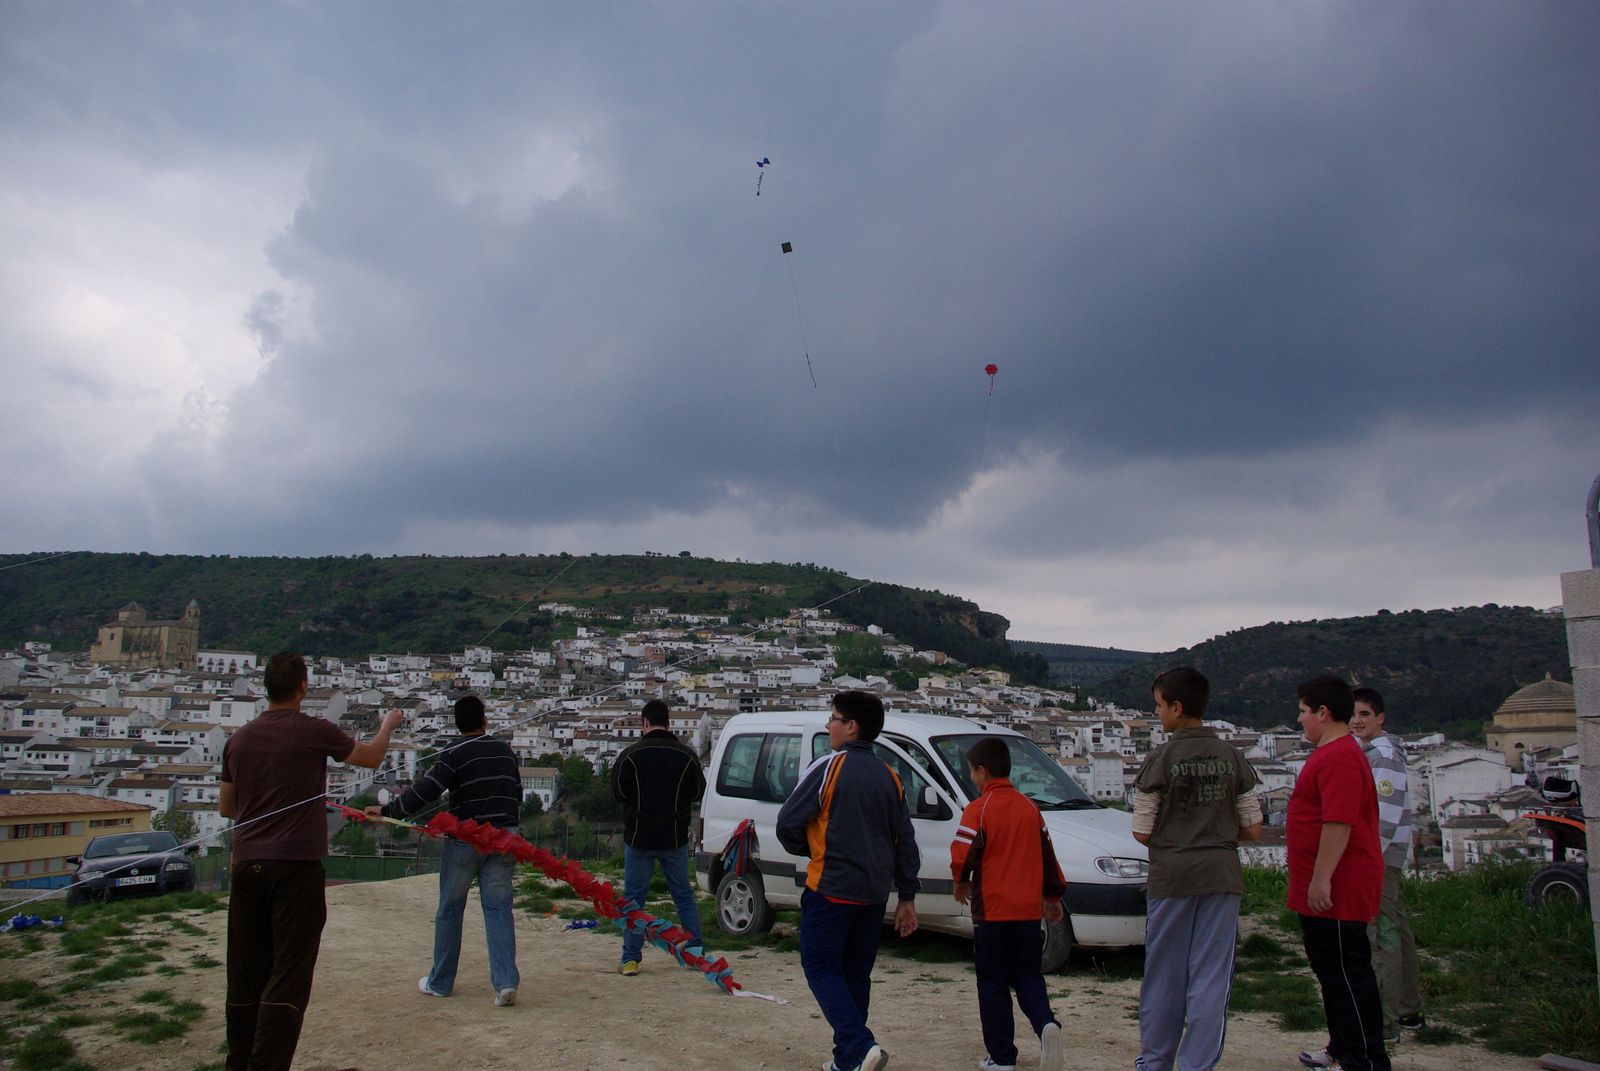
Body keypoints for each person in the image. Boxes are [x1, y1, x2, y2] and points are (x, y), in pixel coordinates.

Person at [220, 651, 402, 1071]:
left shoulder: (238, 739)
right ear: (303, 686)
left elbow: (228, 808)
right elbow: (371, 758)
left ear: (267, 687)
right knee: (290, 971)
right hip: (296, 866)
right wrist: (388, 725)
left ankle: (239, 1061)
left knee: (245, 969)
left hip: (247, 865)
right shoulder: (312, 730)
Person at [776, 690, 919, 1071]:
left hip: (832, 888)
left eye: (833, 718)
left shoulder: (829, 767)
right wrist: (907, 896)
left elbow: (787, 822)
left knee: (820, 967)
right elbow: (906, 841)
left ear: (851, 727)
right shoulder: (891, 777)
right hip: (874, 895)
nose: (828, 725)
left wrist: (813, 851)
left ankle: (859, 1044)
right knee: (856, 973)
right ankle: (847, 1060)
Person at [1132, 667, 1263, 1071]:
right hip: (1221, 874)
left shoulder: (1160, 758)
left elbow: (1141, 831)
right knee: (1211, 976)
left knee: (1163, 973)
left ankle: (1155, 1061)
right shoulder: (1233, 757)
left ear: (1176, 706)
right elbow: (1254, 829)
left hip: (1172, 875)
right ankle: (1196, 1064)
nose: (1156, 713)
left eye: (1158, 706)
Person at [369, 694, 522, 1006]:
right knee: (498, 909)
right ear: (484, 720)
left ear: (457, 724)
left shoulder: (454, 752)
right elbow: (516, 792)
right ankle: (505, 982)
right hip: (505, 837)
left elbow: (427, 790)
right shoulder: (505, 751)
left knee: (451, 910)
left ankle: (441, 982)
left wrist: (390, 812)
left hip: (466, 838)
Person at [1289, 675, 1390, 1071]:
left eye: (1302, 712)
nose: (1299, 720)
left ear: (1323, 713)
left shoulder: (1340, 757)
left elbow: (1339, 822)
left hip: (1339, 887)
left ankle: (1365, 1058)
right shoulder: (1332, 753)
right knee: (1331, 973)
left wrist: (1321, 878)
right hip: (1327, 886)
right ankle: (1342, 1047)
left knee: (1348, 975)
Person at [951, 736, 1067, 1071]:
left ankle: (1002, 1057)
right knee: (1029, 975)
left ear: (982, 772)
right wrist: (1053, 896)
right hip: (1029, 912)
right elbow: (1048, 857)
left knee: (993, 983)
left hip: (992, 912)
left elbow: (963, 853)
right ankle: (1046, 1023)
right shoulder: (1030, 808)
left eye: (972, 771)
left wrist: (960, 880)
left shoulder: (979, 809)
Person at [610, 698, 706, 976]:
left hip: (639, 836)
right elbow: (697, 792)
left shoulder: (630, 755)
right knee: (683, 896)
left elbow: (618, 792)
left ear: (645, 723)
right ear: (669, 722)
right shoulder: (686, 756)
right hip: (674, 836)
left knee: (634, 900)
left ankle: (630, 959)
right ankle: (695, 952)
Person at [1349, 687, 1424, 1039]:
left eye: (1365, 714)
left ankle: (1385, 1021)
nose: (1356, 721)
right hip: (1386, 858)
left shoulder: (1382, 757)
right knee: (1397, 929)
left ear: (1380, 718)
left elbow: (1385, 816)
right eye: (1352, 714)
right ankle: (1408, 1008)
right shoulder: (1378, 752)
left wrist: (1367, 860)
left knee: (1381, 937)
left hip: (1378, 859)